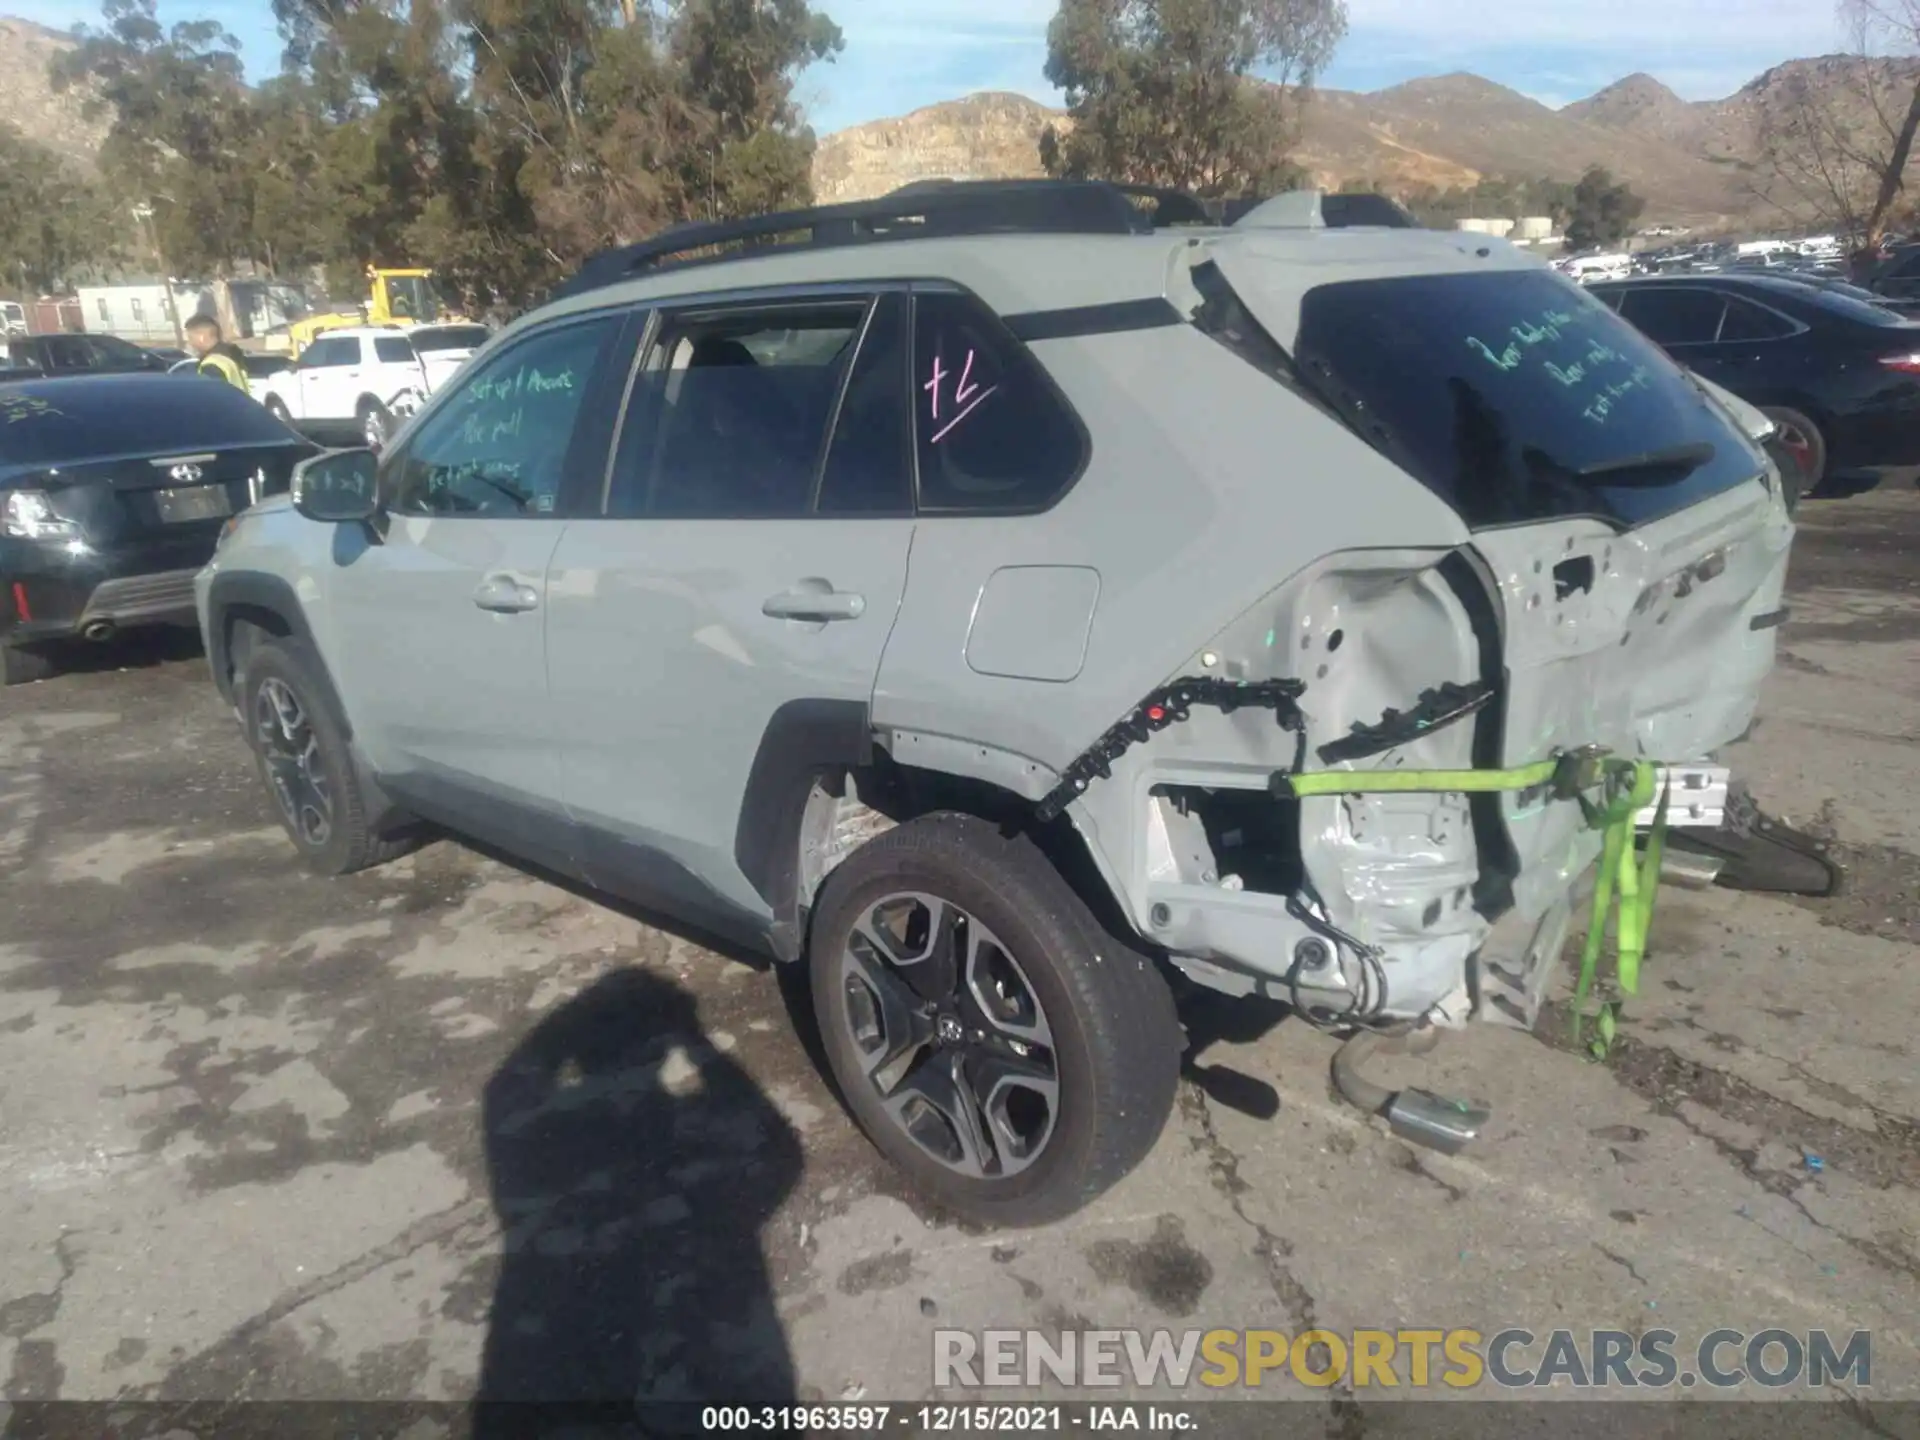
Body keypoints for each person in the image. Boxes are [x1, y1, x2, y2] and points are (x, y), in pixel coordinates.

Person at [184, 313, 248, 391]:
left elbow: (212, 398)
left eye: (190, 338)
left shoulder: (210, 365)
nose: (190, 343)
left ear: (201, 337)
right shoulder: (232, 354)